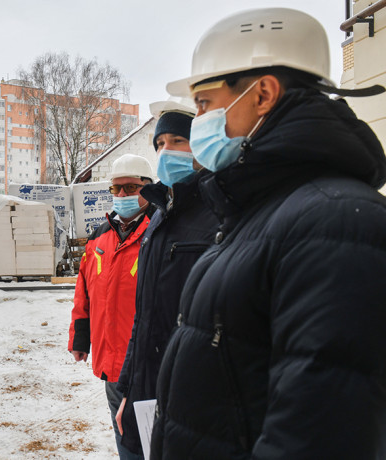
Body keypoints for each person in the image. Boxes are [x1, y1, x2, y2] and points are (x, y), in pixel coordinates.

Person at [150, 8, 386, 459]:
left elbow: (321, 435)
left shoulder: (337, 223)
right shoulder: (260, 211)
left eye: (204, 103)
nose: (197, 121)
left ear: (262, 93)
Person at [114, 100, 218, 457]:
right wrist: (128, 387)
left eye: (177, 141)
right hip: (146, 392)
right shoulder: (159, 218)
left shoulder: (219, 213)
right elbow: (143, 318)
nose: (166, 151)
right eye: (159, 144)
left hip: (194, 396)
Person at [69, 154, 154, 460]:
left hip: (149, 363)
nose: (121, 195)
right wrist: (80, 339)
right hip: (112, 362)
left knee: (154, 441)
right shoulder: (99, 237)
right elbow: (85, 292)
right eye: (115, 189)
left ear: (149, 188)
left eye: (130, 188)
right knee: (125, 436)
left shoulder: (161, 232)